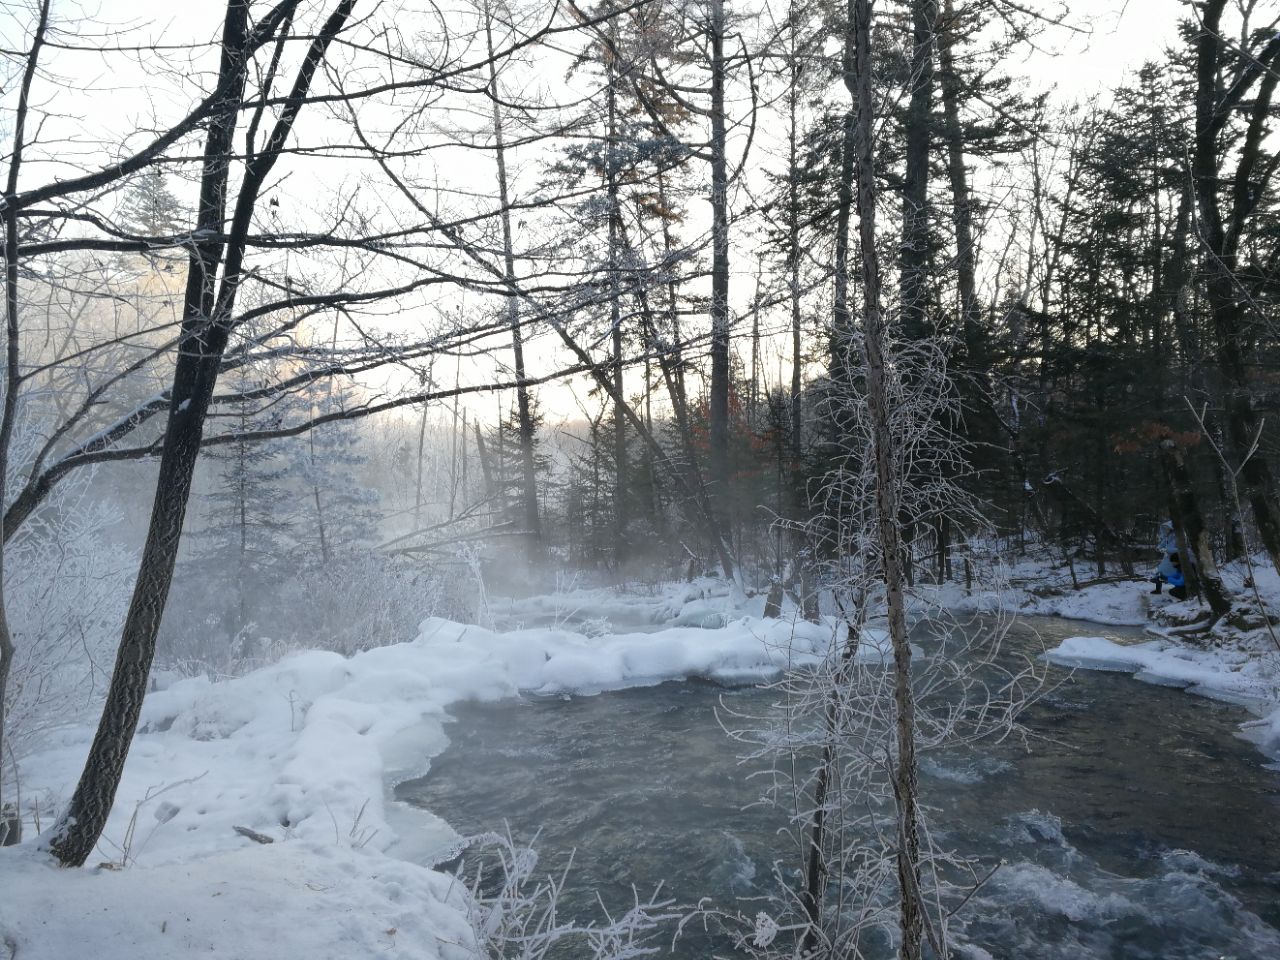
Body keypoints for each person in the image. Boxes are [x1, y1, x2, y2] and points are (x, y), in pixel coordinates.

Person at [1152, 521, 1187, 600]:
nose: (1166, 530)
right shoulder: (1168, 536)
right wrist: (1159, 547)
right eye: (1165, 529)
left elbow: (1179, 549)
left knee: (1174, 572)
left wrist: (1166, 549)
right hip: (1168, 558)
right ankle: (1158, 589)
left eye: (1167, 528)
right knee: (1160, 571)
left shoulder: (1177, 537)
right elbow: (1163, 543)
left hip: (1175, 558)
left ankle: (1180, 589)